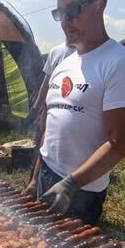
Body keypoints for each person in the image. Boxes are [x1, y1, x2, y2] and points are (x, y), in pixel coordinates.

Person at [29, 0, 125, 225]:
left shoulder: (119, 64)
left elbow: (120, 144)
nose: (66, 21)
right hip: (48, 172)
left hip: (81, 189)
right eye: (60, 13)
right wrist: (36, 176)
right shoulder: (63, 62)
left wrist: (71, 184)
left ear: (100, 3)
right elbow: (50, 127)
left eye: (73, 9)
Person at [25, 40, 76, 194]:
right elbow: (46, 84)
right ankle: (34, 184)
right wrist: (37, 107)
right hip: (50, 109)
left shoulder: (86, 54)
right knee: (41, 144)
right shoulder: (56, 51)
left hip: (72, 112)